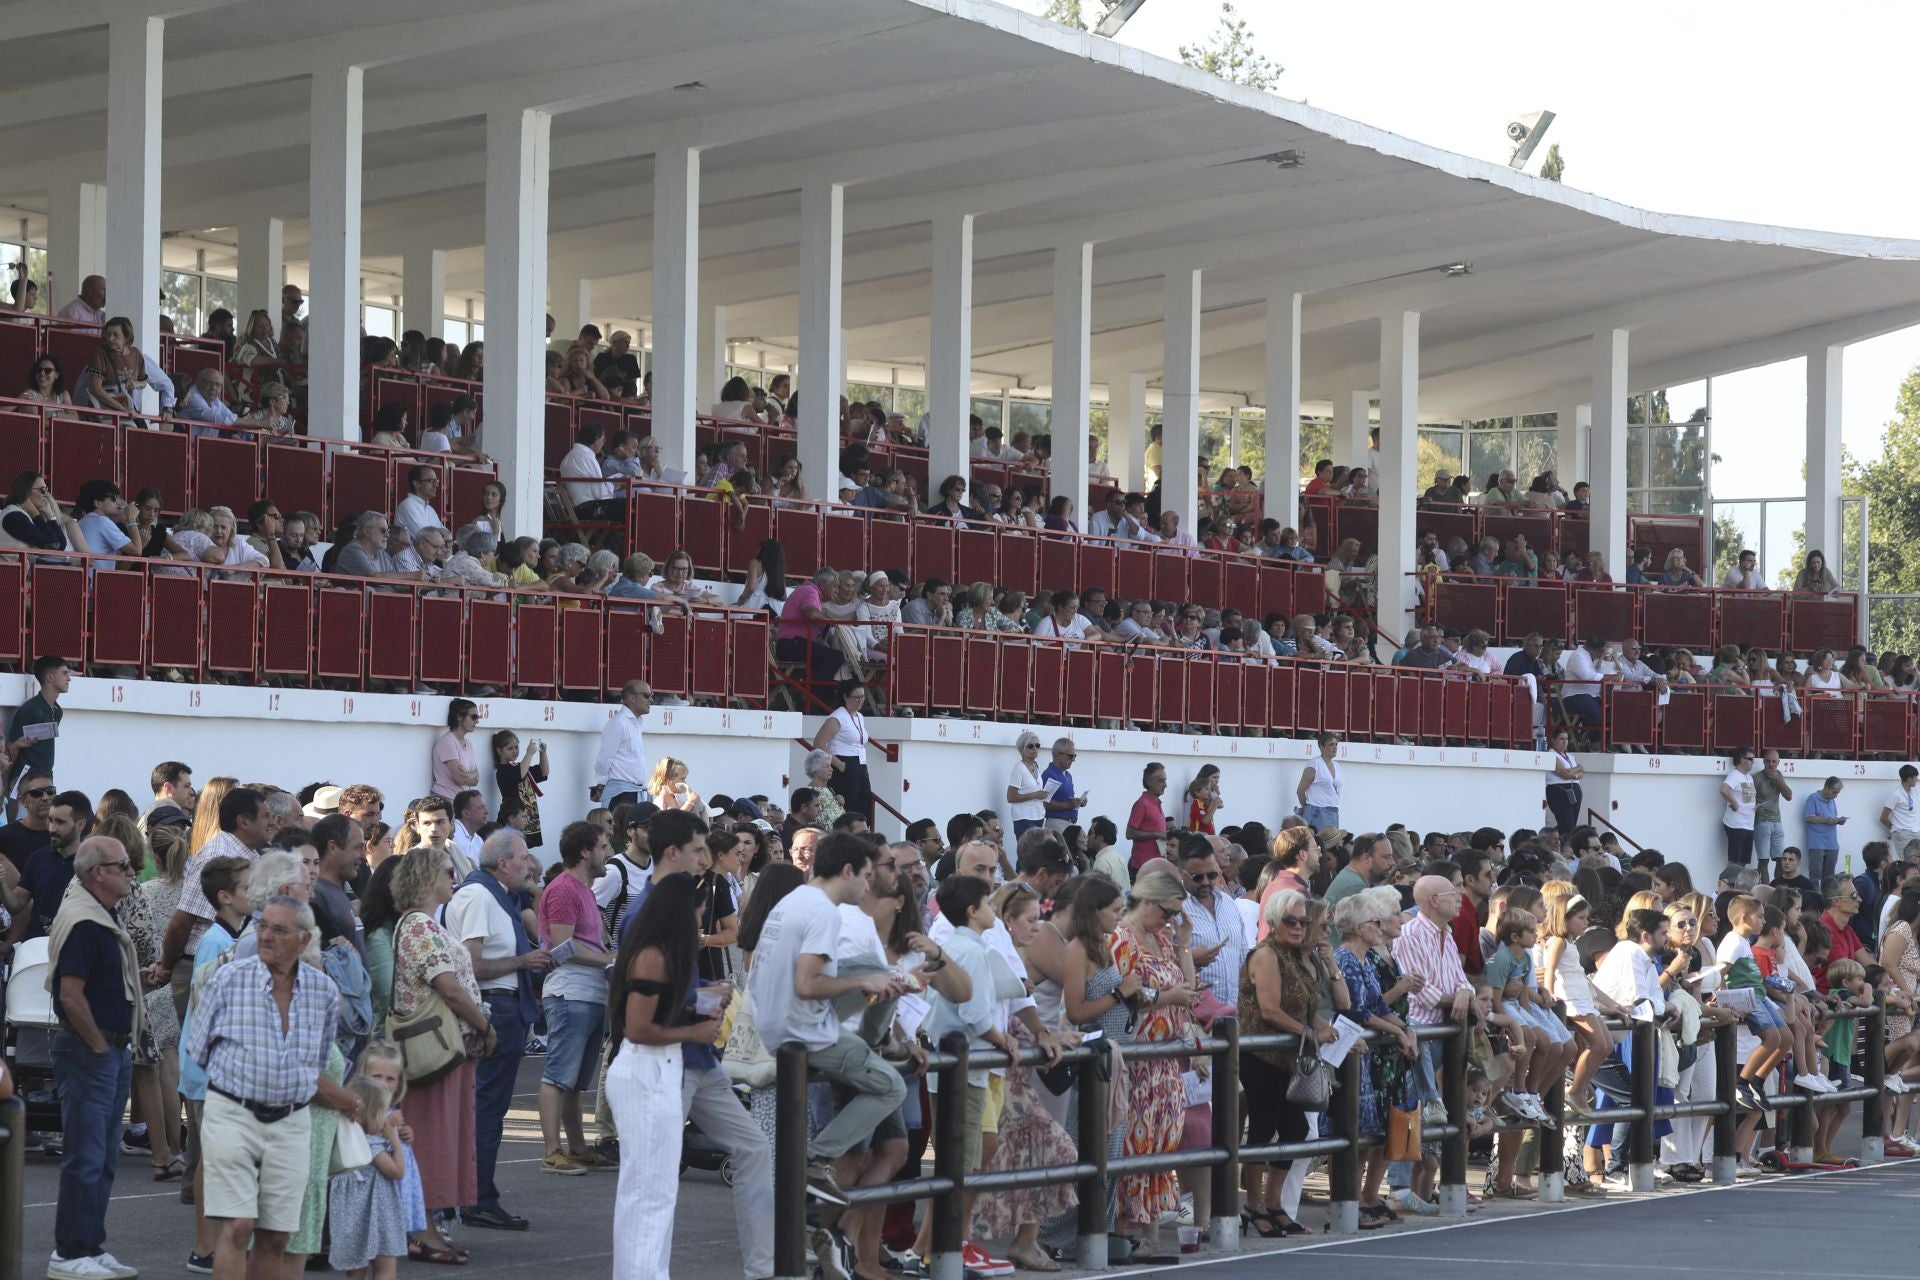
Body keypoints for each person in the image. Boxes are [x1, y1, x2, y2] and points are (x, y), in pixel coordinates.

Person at [187, 896, 345, 1280]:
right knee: (239, 1226)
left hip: (291, 1120)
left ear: (304, 940)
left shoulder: (324, 992)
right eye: (263, 926)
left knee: (276, 1236)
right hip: (232, 1113)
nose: (266, 935)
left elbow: (319, 1060)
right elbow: (197, 1046)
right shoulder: (228, 979)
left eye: (279, 929)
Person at [747, 832, 906, 1205]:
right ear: (848, 870)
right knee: (891, 1086)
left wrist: (873, 976)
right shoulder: (823, 912)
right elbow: (807, 985)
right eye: (865, 876)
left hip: (775, 1019)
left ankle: (875, 1039)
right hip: (800, 1028)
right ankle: (816, 1160)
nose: (868, 886)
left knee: (880, 970)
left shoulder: (797, 899)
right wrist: (865, 982)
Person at [604, 870, 716, 1278]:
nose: (700, 925)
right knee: (650, 1191)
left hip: (656, 1069)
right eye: (699, 916)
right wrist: (695, 1030)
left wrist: (700, 1004)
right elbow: (638, 1028)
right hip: (647, 1071)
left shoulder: (660, 953)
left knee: (651, 1190)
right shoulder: (653, 955)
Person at [45, 836, 144, 1280]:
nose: (131, 872)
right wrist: (100, 1047)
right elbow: (70, 994)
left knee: (103, 1158)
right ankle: (69, 1254)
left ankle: (89, 1245)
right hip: (91, 1050)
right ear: (97, 873)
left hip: (109, 1050)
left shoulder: (101, 915)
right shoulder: (84, 921)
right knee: (85, 1157)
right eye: (123, 865)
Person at [387, 847, 494, 1253]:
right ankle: (423, 1230)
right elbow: (447, 986)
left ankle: (425, 1226)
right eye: (449, 871)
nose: (455, 876)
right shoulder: (421, 927)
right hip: (437, 1047)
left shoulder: (422, 924)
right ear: (427, 877)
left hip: (445, 1044)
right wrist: (485, 1026)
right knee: (432, 1138)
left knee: (438, 1136)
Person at [447, 830, 555, 1230]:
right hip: (496, 1008)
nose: (530, 864)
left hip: (505, 1007)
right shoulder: (478, 896)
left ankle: (476, 1196)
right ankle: (476, 1199)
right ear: (504, 863)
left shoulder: (494, 895)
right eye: (525, 858)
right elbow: (471, 965)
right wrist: (523, 962)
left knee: (489, 1109)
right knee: (487, 1109)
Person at [1111, 870, 1197, 1248]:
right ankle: (1122, 1235)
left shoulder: (1161, 937)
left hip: (1164, 1061)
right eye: (1167, 911)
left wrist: (1185, 944)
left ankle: (1148, 1237)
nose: (1171, 919)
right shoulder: (1122, 939)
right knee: (1133, 1145)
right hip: (1136, 1060)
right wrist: (1169, 999)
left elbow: (1187, 990)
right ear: (1147, 902)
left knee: (1161, 1147)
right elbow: (1125, 997)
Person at [537, 821, 617, 1174]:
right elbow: (561, 945)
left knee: (576, 1080)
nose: (607, 853)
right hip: (570, 992)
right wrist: (609, 958)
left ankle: (577, 1147)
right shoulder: (564, 889)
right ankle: (553, 1151)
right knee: (558, 1074)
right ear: (585, 852)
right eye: (602, 846)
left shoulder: (583, 889)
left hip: (589, 992)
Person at [813, 679, 872, 822]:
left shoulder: (859, 716)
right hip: (845, 763)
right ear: (845, 697)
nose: (860, 701)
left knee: (863, 806)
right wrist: (840, 764)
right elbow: (819, 743)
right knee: (847, 807)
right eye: (856, 697)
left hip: (860, 765)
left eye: (862, 697)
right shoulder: (838, 716)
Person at [591, 681, 653, 811]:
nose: (651, 700)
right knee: (619, 830)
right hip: (620, 794)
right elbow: (604, 758)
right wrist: (601, 785)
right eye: (647, 695)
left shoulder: (636, 722)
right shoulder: (619, 723)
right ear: (632, 697)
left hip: (634, 792)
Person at [430, 699, 481, 800]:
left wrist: (467, 775)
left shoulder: (468, 744)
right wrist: (469, 775)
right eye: (473, 717)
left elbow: (477, 779)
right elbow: (460, 778)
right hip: (445, 799)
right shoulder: (448, 742)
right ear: (459, 717)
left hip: (461, 801)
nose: (477, 721)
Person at [1803, 776, 1847, 886]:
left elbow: (1832, 817)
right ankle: (1816, 900)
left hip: (1832, 844)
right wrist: (1826, 820)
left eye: (1837, 793)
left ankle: (1827, 900)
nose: (1835, 796)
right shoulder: (1813, 798)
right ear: (1826, 787)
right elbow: (1808, 817)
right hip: (1817, 843)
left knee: (1830, 878)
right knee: (1815, 876)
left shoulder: (1831, 801)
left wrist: (1838, 821)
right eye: (1834, 792)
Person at [1125, 763, 1169, 872]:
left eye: (1165, 780)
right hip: (1144, 866)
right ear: (1148, 782)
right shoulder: (1142, 803)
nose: (1165, 785)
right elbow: (1129, 833)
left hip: (1157, 864)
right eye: (1160, 781)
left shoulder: (1156, 802)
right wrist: (1156, 834)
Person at [1006, 731, 1050, 838]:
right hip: (1024, 818)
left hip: (1038, 816)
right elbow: (1010, 797)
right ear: (1022, 750)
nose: (1035, 748)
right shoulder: (1019, 768)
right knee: (1028, 851)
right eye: (1030, 746)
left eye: (1037, 745)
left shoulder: (1036, 766)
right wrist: (1034, 795)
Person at [1296, 732, 1342, 830]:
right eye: (1331, 744)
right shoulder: (1314, 764)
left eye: (1336, 744)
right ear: (1321, 747)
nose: (1335, 747)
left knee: (1332, 841)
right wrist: (1308, 808)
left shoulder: (1337, 766)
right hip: (1317, 811)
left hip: (1333, 811)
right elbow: (1300, 791)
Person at [1721, 748, 1758, 866]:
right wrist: (1734, 803)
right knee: (1734, 861)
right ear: (1742, 760)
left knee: (1743, 861)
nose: (1753, 762)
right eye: (1750, 759)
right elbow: (1724, 789)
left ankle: (1738, 884)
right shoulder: (1734, 775)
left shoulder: (1749, 777)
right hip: (1736, 824)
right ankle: (1728, 884)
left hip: (1748, 824)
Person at [1040, 738, 1084, 834]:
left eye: (1074, 756)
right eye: (1070, 756)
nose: (1073, 760)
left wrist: (1078, 802)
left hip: (1068, 824)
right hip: (1057, 824)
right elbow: (1045, 802)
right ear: (1058, 755)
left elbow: (1065, 798)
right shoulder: (1050, 774)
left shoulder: (1068, 775)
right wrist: (1068, 805)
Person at [1545, 728, 1583, 836]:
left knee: (1572, 824)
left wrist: (1574, 774)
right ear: (1553, 740)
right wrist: (1578, 769)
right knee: (1566, 823)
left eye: (1566, 739)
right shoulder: (1552, 754)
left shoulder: (1570, 756)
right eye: (1561, 739)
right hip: (1559, 791)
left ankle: (1563, 842)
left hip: (1574, 789)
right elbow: (1564, 773)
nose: (1565, 741)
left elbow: (1582, 773)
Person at [1882, 765, 1920, 861]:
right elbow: (1883, 817)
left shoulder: (1915, 791)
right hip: (1902, 834)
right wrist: (1895, 829)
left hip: (1916, 831)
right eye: (1915, 777)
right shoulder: (1896, 794)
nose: (1917, 779)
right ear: (1908, 778)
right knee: (1907, 864)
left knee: (1917, 864)